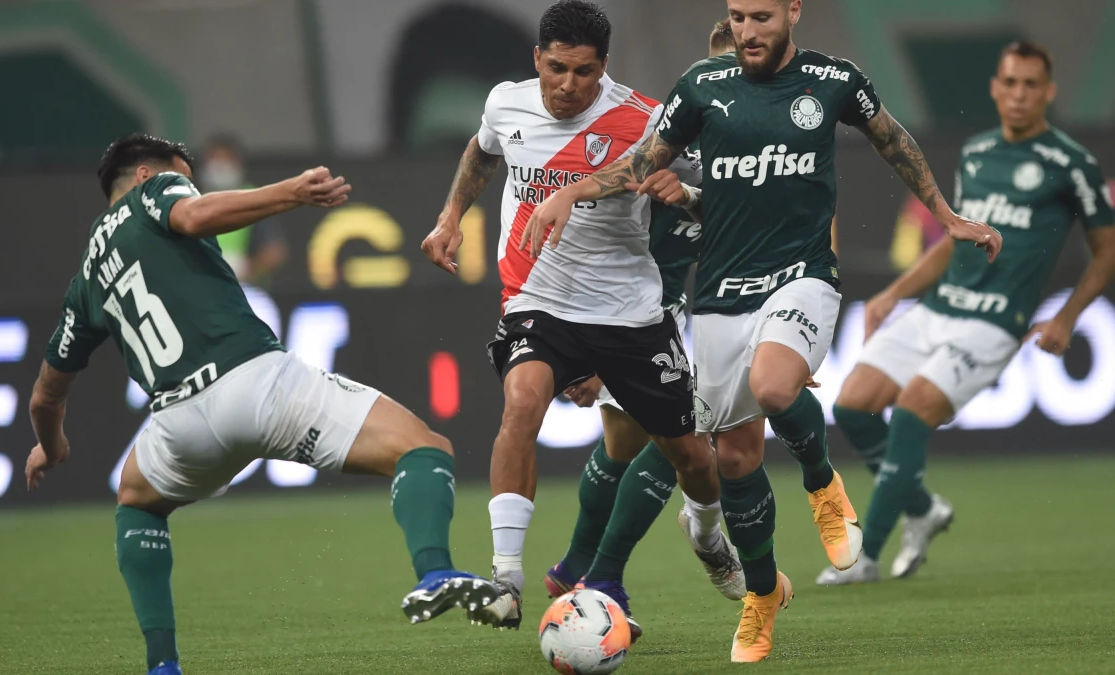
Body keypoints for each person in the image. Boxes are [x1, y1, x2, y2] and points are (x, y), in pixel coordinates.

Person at [521, 0, 1002, 662]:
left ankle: (821, 481)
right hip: (720, 291)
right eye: (738, 16)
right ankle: (761, 594)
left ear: (793, 13)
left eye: (761, 17)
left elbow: (893, 139)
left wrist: (947, 216)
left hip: (802, 273)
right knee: (735, 456)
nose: (748, 30)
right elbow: (642, 163)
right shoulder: (701, 88)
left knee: (774, 387)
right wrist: (571, 192)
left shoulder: (833, 80)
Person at [25, 134, 500, 675]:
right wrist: (291, 192)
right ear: (144, 176)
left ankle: (162, 665)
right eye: (185, 176)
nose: (191, 184)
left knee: (136, 500)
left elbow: (46, 394)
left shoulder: (86, 278)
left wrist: (50, 445)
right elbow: (194, 214)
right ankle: (435, 572)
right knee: (424, 449)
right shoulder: (153, 190)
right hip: (254, 382)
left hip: (179, 425)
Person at [421, 0, 731, 632]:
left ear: (603, 68)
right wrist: (451, 216)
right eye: (556, 68)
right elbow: (482, 154)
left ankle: (706, 534)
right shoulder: (506, 102)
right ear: (536, 58)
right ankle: (505, 579)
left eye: (583, 73)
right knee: (523, 401)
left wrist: (687, 193)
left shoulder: (645, 120)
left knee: (693, 458)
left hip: (628, 313)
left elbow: (720, 198)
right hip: (540, 301)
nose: (567, 85)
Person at [819, 41, 1115, 585]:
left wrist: (1067, 318)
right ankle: (923, 507)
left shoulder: (1072, 163)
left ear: (1048, 92)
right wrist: (891, 294)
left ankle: (867, 558)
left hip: (994, 323)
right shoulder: (977, 152)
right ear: (996, 88)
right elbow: (954, 241)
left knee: (910, 413)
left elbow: (1108, 250)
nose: (1019, 94)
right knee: (854, 406)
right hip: (938, 308)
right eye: (1010, 82)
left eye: (1031, 84)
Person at [542, 20, 746, 644]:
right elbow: (591, 232)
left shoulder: (750, 158)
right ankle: (601, 576)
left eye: (738, 72)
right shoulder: (666, 139)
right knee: (669, 438)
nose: (727, 86)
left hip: (676, 312)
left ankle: (578, 568)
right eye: (718, 72)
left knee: (629, 442)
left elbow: (747, 225)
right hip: (628, 315)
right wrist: (594, 349)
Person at [198, 134, 288, 287]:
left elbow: (274, 252)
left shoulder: (255, 198)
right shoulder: (194, 200)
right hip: (206, 290)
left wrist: (246, 271)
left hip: (248, 291)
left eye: (225, 160)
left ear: (237, 163)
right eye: (215, 160)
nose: (220, 167)